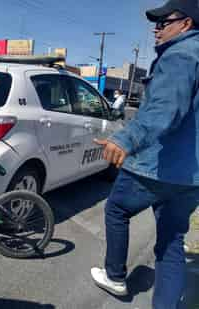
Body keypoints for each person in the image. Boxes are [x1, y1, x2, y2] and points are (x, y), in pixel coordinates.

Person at [90, 1, 199, 308]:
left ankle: (114, 275)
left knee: (117, 209)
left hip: (157, 167)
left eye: (164, 22)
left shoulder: (180, 56)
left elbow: (166, 110)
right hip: (191, 177)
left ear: (186, 24)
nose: (157, 28)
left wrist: (125, 138)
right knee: (171, 241)